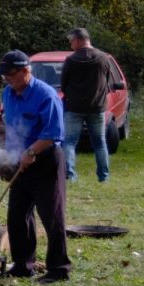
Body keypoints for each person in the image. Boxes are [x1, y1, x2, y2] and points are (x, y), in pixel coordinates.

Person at [0, 50, 71, 284]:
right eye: (4, 75)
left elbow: (52, 134)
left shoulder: (46, 95)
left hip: (46, 160)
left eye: (10, 74)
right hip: (21, 160)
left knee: (52, 216)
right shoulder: (7, 93)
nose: (6, 78)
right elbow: (10, 125)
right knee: (17, 216)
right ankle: (23, 266)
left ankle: (59, 269)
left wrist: (31, 152)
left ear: (26, 71)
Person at [60, 28, 111, 182]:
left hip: (74, 108)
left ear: (78, 40)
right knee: (100, 143)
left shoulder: (71, 60)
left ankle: (70, 175)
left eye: (71, 41)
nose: (70, 45)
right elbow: (107, 79)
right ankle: (104, 177)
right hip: (97, 107)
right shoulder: (103, 58)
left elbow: (63, 84)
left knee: (69, 142)